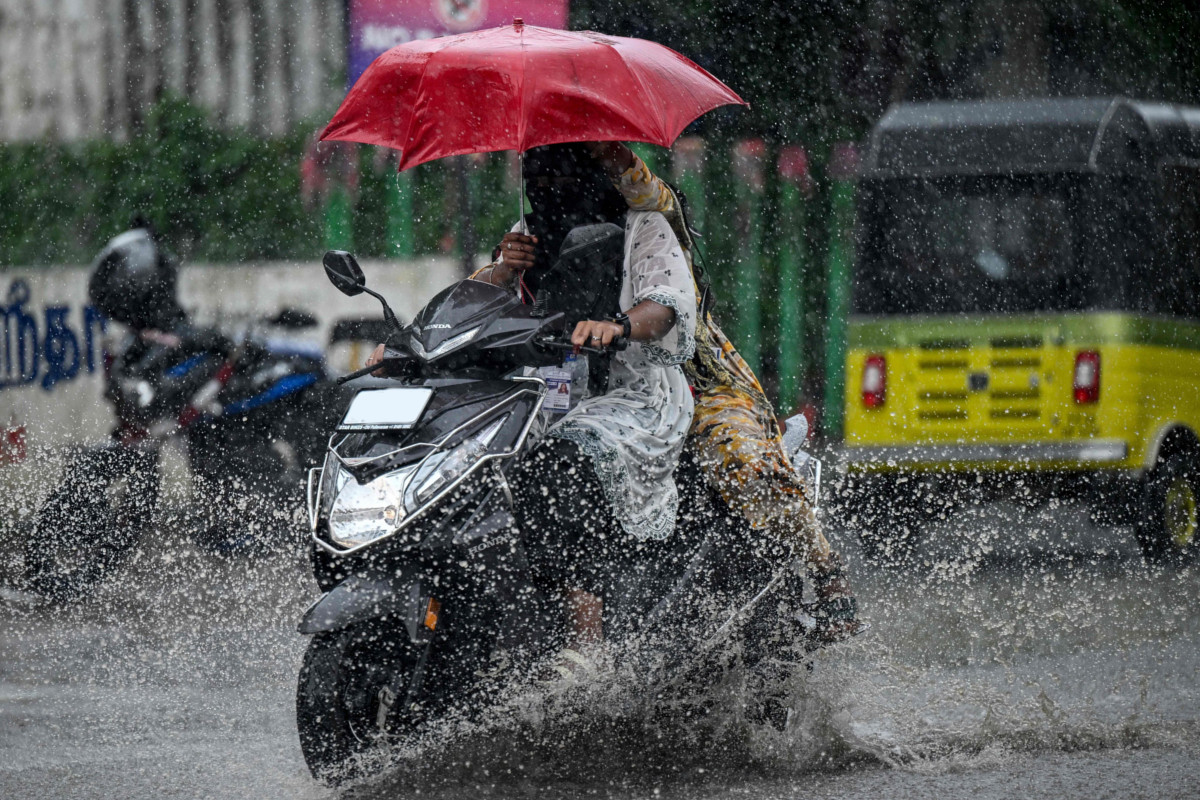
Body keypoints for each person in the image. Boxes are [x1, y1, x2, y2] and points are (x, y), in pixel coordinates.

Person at [495, 143, 861, 642]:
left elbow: (662, 302)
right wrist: (502, 269)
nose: (550, 190)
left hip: (691, 380)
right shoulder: (529, 236)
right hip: (572, 393)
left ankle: (828, 574)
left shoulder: (650, 220)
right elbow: (481, 304)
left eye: (565, 175)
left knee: (740, 459)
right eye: (538, 178)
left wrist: (610, 152)